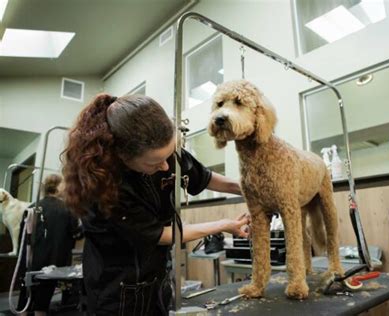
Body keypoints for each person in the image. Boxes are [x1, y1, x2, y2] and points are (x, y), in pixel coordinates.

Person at [61, 94, 249, 315]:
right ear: (123, 156)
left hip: (157, 277)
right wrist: (224, 224)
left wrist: (246, 188)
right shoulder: (103, 188)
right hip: (117, 291)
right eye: (154, 162)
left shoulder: (163, 151)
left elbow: (202, 177)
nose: (165, 166)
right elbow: (162, 234)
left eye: (168, 156)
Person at [18, 174, 82, 316]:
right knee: (42, 304)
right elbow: (77, 233)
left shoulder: (31, 208)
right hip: (51, 264)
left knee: (24, 301)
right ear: (59, 187)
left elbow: (23, 239)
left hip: (29, 262)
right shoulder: (67, 209)